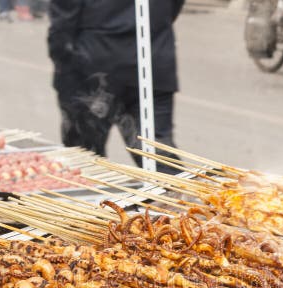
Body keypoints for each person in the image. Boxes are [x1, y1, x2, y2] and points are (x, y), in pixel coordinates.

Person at [47, 0, 185, 172]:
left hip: (93, 66)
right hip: (152, 57)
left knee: (84, 160)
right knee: (158, 155)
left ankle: (188, 196)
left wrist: (63, 65)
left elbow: (63, 21)